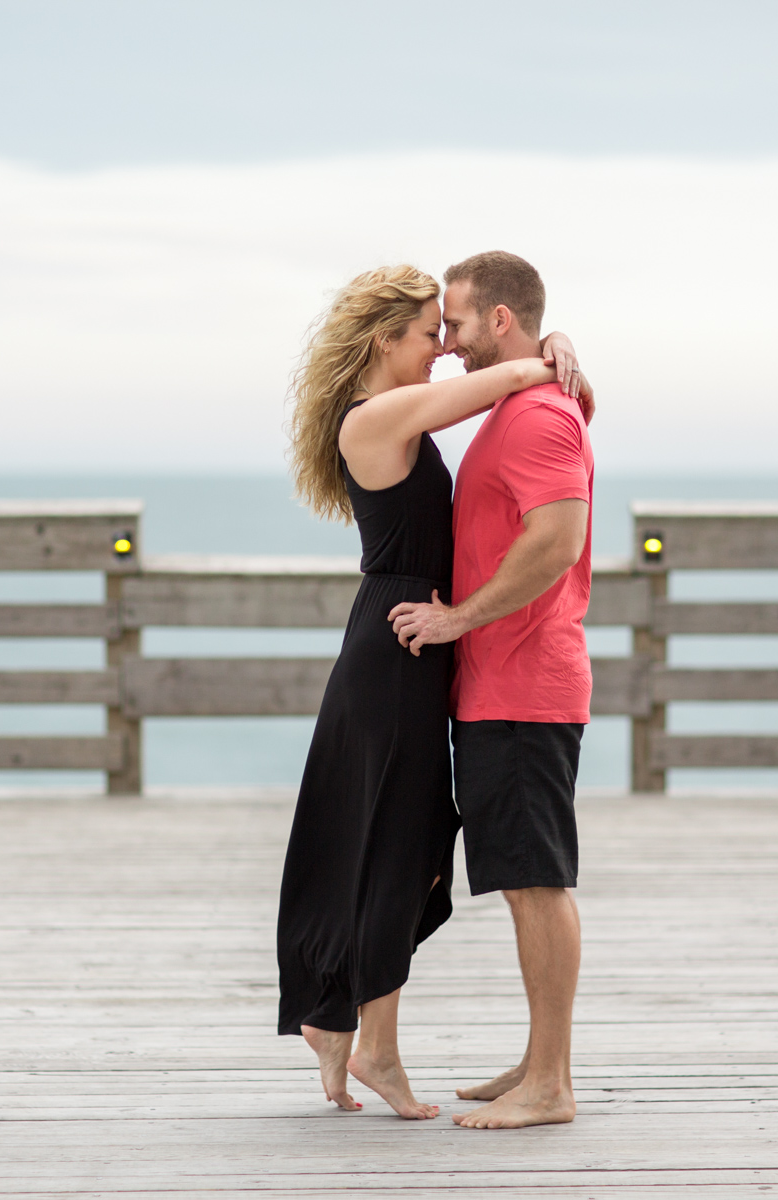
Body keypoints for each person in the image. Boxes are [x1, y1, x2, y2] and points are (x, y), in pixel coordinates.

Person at [278, 263, 591, 1120]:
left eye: (451, 329)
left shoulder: (411, 416)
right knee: (391, 840)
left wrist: (552, 351)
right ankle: (356, 1031)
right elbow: (507, 373)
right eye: (429, 333)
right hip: (399, 644)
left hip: (421, 643)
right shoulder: (377, 417)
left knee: (410, 844)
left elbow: (516, 383)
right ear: (387, 341)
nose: (442, 347)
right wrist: (549, 353)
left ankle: (351, 1030)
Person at [389, 251, 595, 1130]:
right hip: (497, 689)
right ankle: (537, 1060)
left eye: (459, 323)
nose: (449, 343)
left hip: (524, 687)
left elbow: (554, 541)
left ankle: (552, 1083)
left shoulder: (541, 416)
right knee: (520, 880)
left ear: (501, 322)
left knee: (536, 882)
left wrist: (457, 619)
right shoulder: (522, 401)